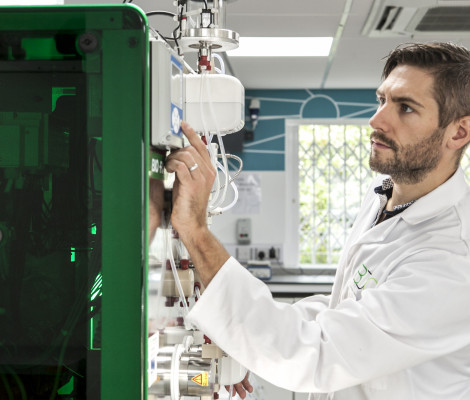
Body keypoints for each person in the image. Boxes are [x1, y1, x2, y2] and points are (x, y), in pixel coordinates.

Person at [165, 42, 470, 400]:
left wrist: (196, 232)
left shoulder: (452, 257)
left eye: (405, 108)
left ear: (459, 133)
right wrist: (241, 337)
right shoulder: (384, 198)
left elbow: (316, 355)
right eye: (381, 100)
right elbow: (344, 308)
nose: (377, 120)